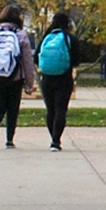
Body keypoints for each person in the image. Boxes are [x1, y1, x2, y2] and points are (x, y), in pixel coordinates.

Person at [0, 4, 36, 150]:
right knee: (12, 108)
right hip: (15, 78)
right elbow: (28, 61)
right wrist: (30, 82)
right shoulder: (21, 35)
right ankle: (9, 140)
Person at [37, 12, 81, 152]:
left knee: (50, 110)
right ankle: (56, 141)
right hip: (64, 78)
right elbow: (77, 59)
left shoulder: (46, 38)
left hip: (47, 78)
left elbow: (36, 58)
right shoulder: (70, 38)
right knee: (61, 109)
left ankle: (53, 137)